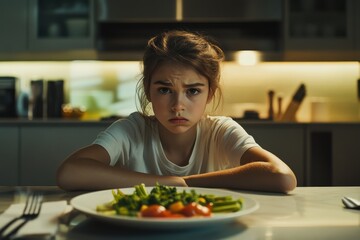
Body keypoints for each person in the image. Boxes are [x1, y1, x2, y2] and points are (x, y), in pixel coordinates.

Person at [56, 30, 297, 193]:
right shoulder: (132, 130)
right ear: (149, 92)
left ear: (210, 94)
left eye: (192, 91)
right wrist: (167, 183)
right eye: (164, 90)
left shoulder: (220, 131)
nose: (177, 105)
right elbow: (69, 172)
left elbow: (282, 176)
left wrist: (185, 183)